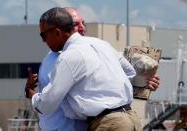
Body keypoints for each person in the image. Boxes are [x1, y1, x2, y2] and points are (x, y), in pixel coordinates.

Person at [26, 7, 160, 131]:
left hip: (108, 124)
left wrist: (30, 93)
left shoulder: (66, 57)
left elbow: (47, 104)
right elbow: (131, 73)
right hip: (130, 118)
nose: (44, 41)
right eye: (77, 24)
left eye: (43, 36)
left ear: (57, 32)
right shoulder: (102, 44)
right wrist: (143, 82)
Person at [25, 7, 87, 131]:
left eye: (83, 23)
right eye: (75, 24)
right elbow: (51, 101)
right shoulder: (61, 58)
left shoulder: (77, 52)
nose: (82, 28)